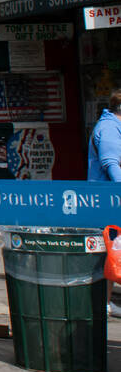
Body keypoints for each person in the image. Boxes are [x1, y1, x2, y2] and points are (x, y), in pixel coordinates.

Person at [87, 88, 121, 317]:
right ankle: (104, 303)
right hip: (108, 202)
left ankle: (106, 302)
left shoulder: (113, 126)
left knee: (112, 253)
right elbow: (111, 164)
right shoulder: (109, 128)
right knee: (110, 251)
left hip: (111, 202)